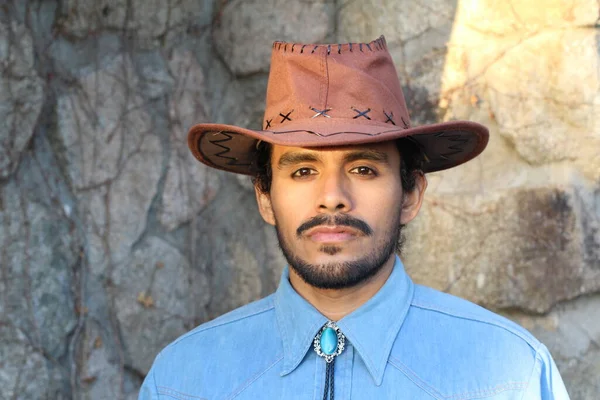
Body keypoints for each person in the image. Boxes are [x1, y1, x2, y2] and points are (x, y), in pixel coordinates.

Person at [139, 36, 569, 400]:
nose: (332, 198)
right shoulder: (184, 378)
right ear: (265, 197)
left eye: (363, 169)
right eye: (303, 171)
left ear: (410, 195)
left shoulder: (513, 374)